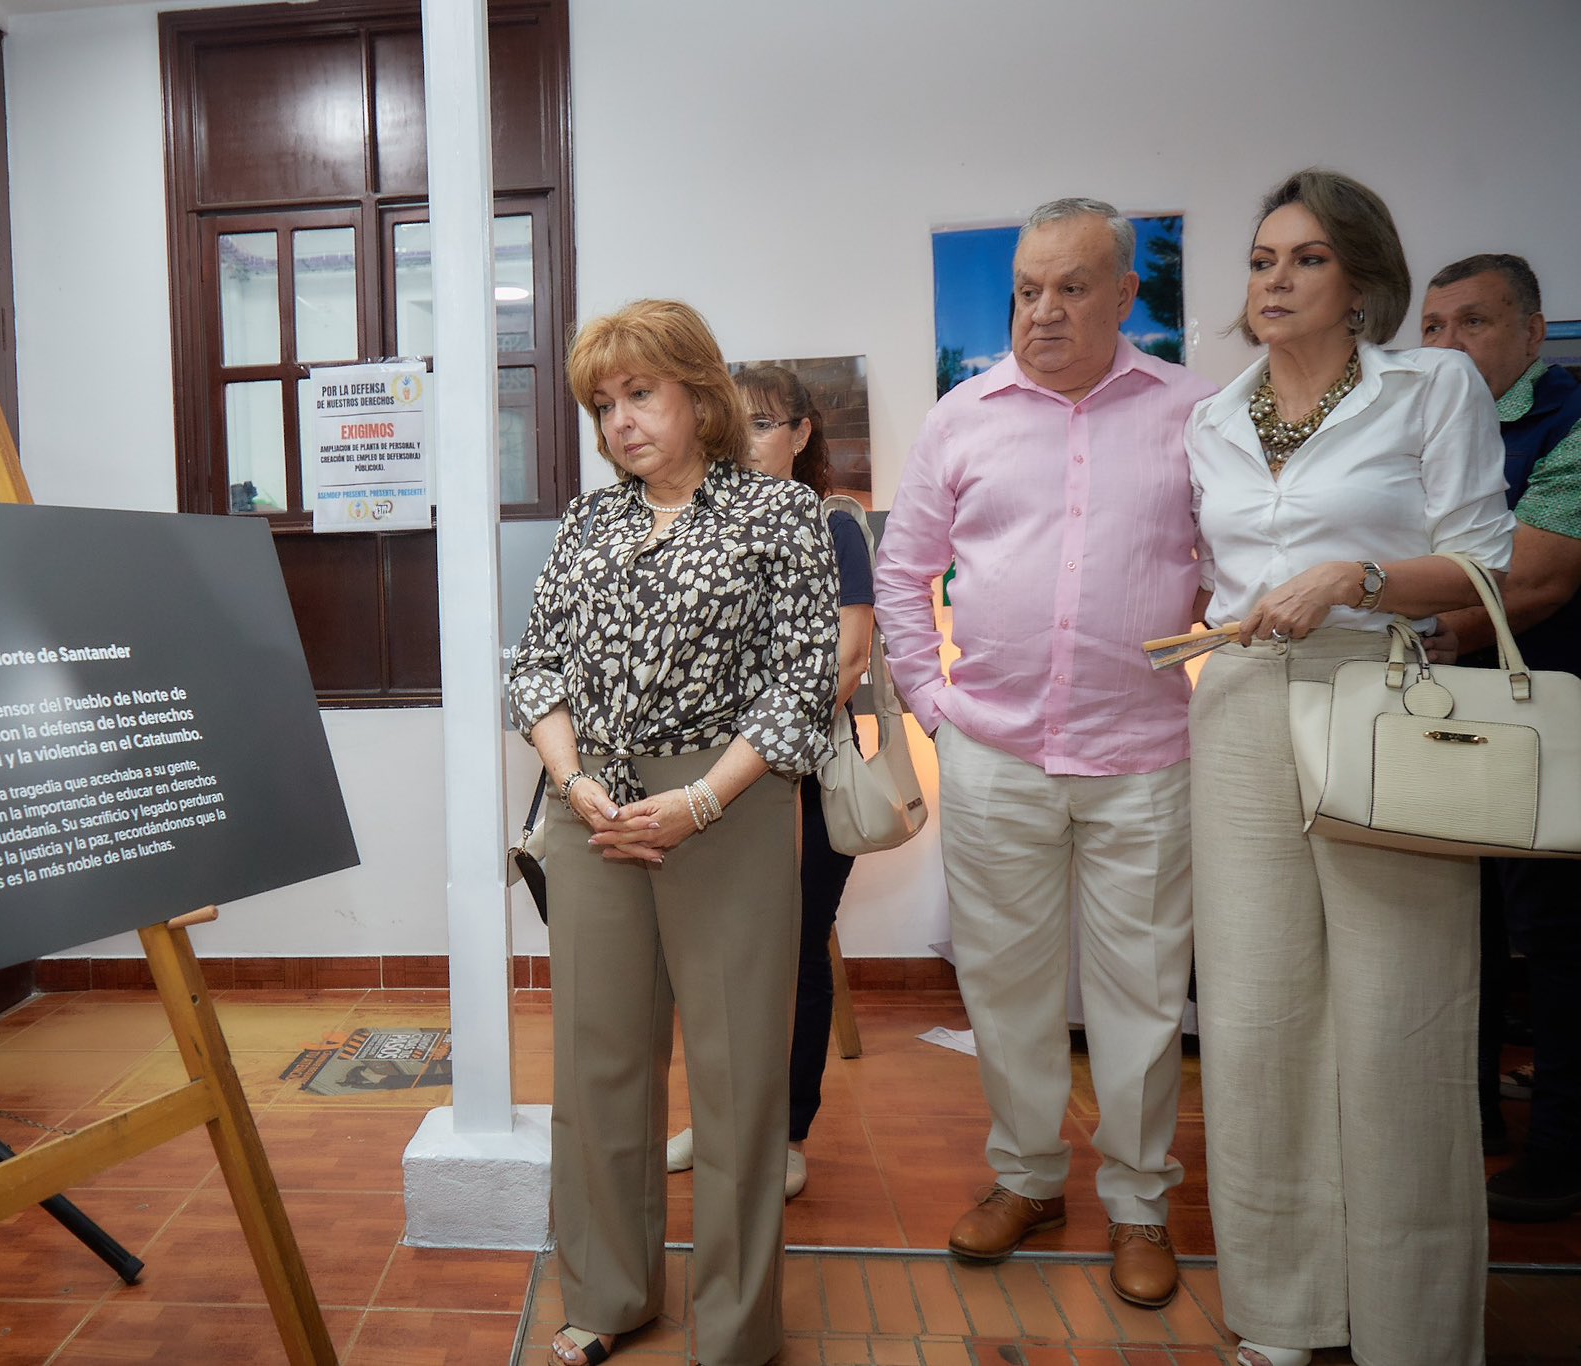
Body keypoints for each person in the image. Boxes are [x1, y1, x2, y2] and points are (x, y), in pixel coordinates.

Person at [1186, 169, 1514, 1366]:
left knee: (1397, 1020)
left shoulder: (1429, 388)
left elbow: (1481, 566)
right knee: (1254, 1019)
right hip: (1234, 709)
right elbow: (1213, 573)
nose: (1274, 280)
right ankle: (1278, 1315)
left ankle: (1411, 1335)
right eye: (1262, 259)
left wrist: (1355, 577)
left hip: (1387, 696)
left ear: (1360, 280)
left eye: (1304, 259)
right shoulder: (1210, 414)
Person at [874, 198, 1214, 1311]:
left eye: (1070, 287)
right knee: (1005, 987)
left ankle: (1136, 1202)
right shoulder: (960, 417)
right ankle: (1025, 1179)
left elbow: (1237, 572)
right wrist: (931, 701)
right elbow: (900, 570)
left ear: (1123, 296)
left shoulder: (1194, 413)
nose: (1042, 309)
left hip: (1144, 756)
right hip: (994, 754)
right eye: (1025, 288)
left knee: (1140, 993)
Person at [508, 299, 838, 1366]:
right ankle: (607, 1295)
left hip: (726, 813)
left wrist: (699, 800)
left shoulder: (782, 516)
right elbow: (535, 670)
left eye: (638, 394)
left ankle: (736, 1329)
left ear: (699, 394)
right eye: (602, 405)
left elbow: (799, 689)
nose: (619, 422)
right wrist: (575, 784)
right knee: (598, 1064)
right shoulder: (587, 521)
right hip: (592, 814)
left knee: (738, 1080)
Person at [663, 365, 875, 1202]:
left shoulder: (834, 526)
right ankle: (719, 1121)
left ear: (801, 434)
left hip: (804, 776)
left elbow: (848, 662)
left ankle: (785, 1133)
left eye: (762, 424)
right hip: (714, 782)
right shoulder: (704, 528)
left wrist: (752, 737)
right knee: (716, 958)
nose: (744, 441)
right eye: (732, 423)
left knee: (795, 951)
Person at [1422, 252, 1581, 1223]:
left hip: (1545, 727)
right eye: (1430, 327)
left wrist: (1402, 622)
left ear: (1529, 332)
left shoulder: (1565, 426)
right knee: (1458, 927)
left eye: (1470, 324)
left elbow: (1533, 580)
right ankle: (1465, 1120)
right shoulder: (1427, 427)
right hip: (1448, 725)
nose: (1443, 346)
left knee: (1557, 940)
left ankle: (1559, 1152)